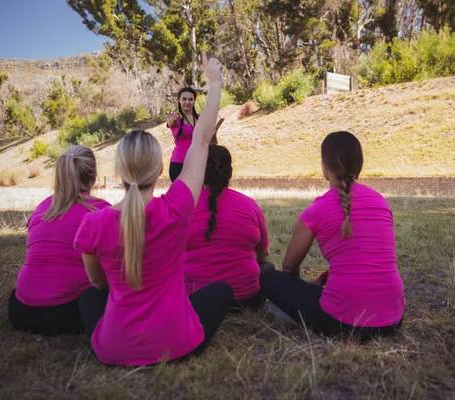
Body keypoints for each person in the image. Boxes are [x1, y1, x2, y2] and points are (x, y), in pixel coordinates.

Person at [74, 56, 233, 367]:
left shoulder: (93, 223)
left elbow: (98, 285)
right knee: (221, 292)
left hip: (115, 351)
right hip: (178, 344)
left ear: (118, 171)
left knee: (88, 298)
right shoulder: (177, 207)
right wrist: (215, 82)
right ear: (161, 168)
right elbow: (202, 141)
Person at [259, 131, 405, 341]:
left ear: (325, 167)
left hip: (343, 323)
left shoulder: (316, 210)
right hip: (393, 321)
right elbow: (366, 258)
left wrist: (295, 292)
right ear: (359, 164)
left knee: (267, 275)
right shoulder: (381, 201)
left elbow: (290, 267)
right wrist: (322, 279)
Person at [8, 145, 110, 335]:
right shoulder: (100, 210)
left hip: (19, 310)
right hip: (65, 313)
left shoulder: (43, 207)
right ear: (94, 177)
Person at [184, 144, 271, 312]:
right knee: (268, 269)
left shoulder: (186, 206)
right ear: (229, 172)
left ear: (201, 172)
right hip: (246, 300)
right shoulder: (250, 205)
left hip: (195, 298)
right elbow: (263, 254)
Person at [167, 88, 218, 182]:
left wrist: (213, 133)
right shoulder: (173, 118)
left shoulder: (201, 118)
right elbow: (171, 123)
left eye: (190, 99)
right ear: (179, 100)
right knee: (181, 195)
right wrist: (174, 118)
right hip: (179, 162)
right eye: (184, 99)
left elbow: (213, 142)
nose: (187, 102)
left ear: (194, 100)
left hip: (198, 163)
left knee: (200, 195)